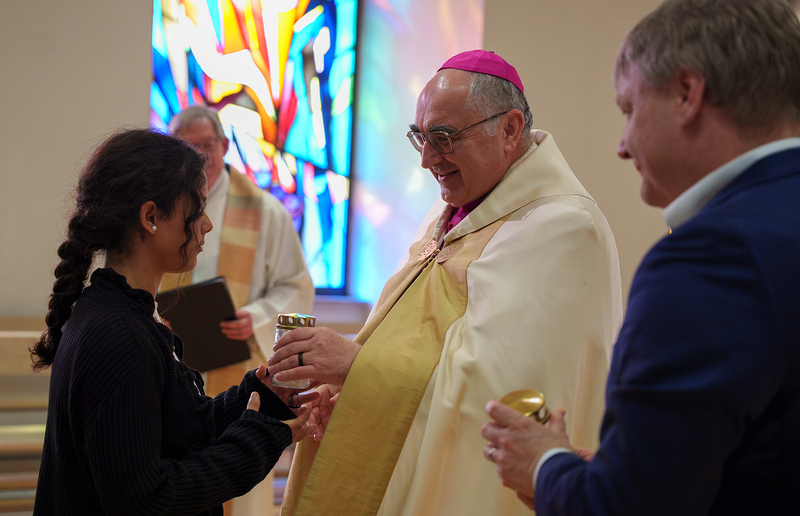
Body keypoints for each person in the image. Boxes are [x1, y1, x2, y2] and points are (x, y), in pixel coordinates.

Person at [268, 50, 623, 516]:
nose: (427, 160)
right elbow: (413, 339)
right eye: (421, 137)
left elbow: (500, 394)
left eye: (444, 137)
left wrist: (359, 367)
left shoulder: (563, 228)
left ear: (509, 129)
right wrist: (348, 392)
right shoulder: (449, 212)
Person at [481, 1, 800, 514]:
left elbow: (627, 507)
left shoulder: (710, 257)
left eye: (629, 110)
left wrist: (546, 466)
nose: (623, 146)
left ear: (686, 93)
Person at [31, 129, 317, 515]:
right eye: (197, 209)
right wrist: (257, 441)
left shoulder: (121, 311)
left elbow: (175, 430)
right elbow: (148, 499)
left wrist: (258, 395)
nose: (207, 224)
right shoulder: (120, 336)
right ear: (151, 217)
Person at [164, 105, 314, 379]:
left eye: (207, 145)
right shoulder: (160, 209)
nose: (200, 156)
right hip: (169, 356)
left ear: (224, 145)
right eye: (188, 147)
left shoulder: (267, 212)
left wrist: (257, 317)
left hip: (235, 361)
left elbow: (296, 286)